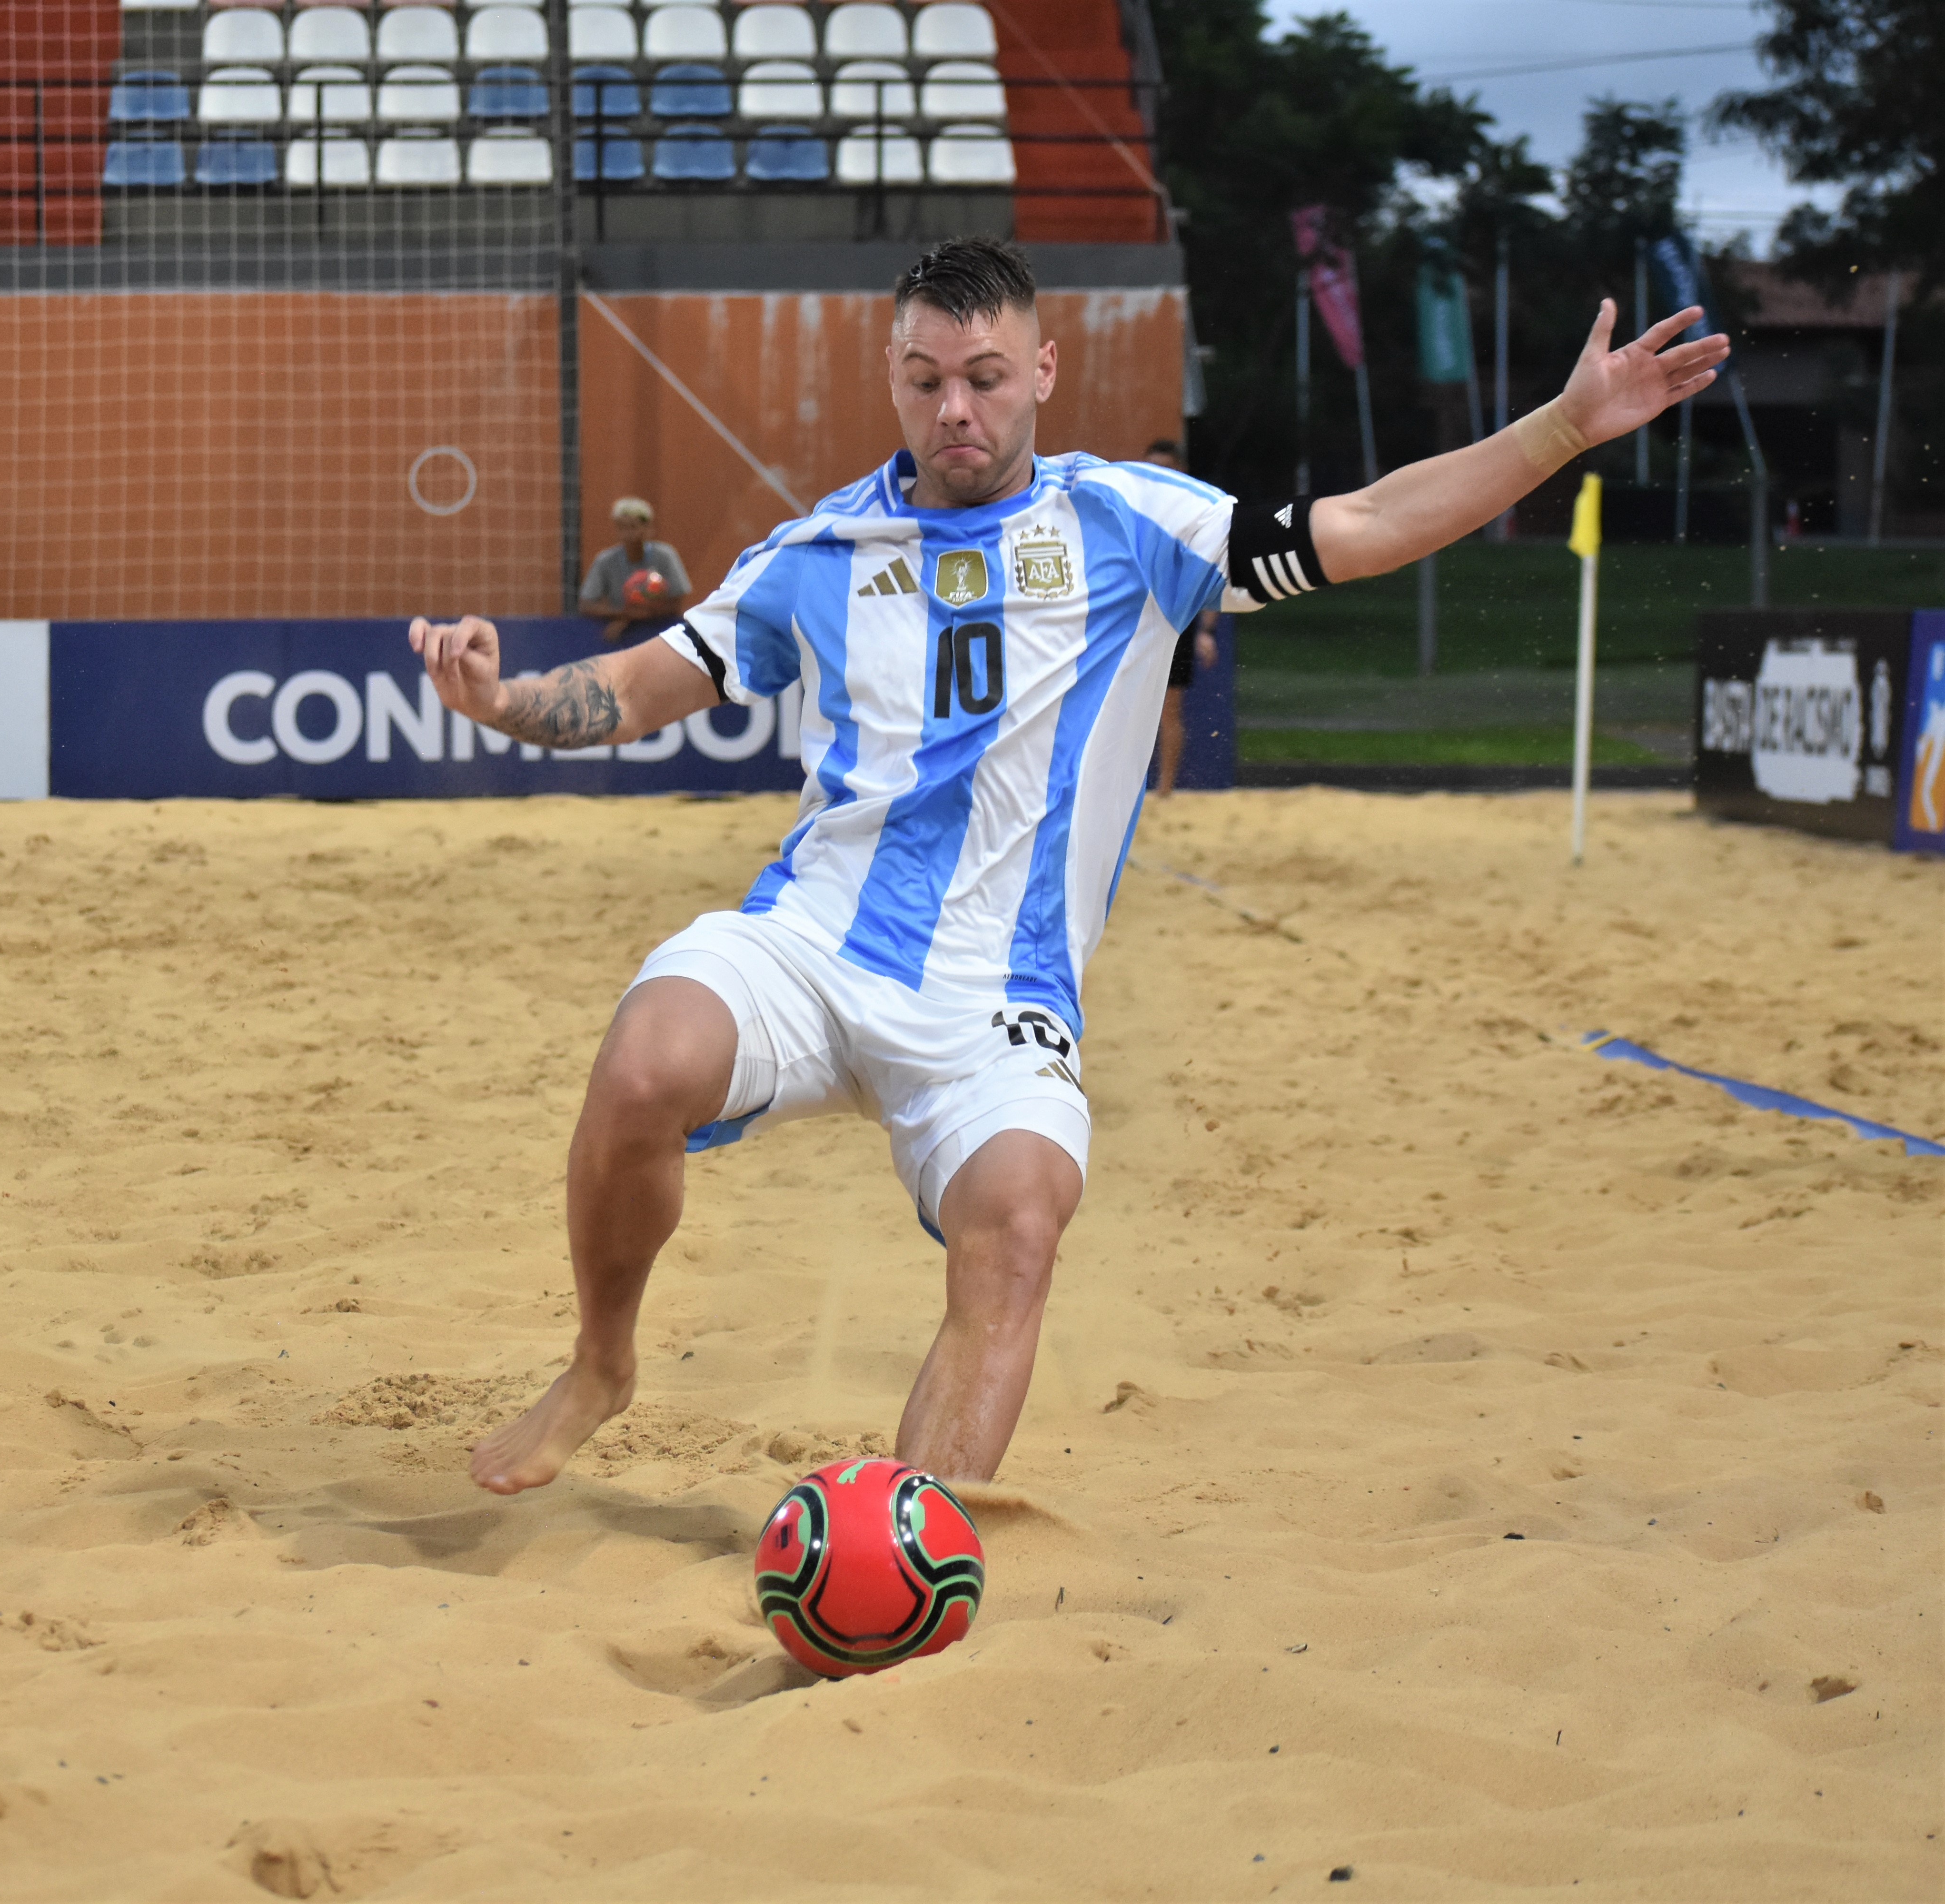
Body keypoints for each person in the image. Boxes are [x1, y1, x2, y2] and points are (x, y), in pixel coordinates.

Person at [408, 235, 1724, 1497]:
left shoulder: (1133, 522)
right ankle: (600, 1365)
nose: (955, 411)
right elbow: (644, 683)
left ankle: (907, 1545)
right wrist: (505, 698)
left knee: (1022, 1219)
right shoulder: (816, 554)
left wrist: (1561, 428)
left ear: (1041, 372)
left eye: (984, 378)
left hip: (999, 993)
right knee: (644, 1061)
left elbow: (1367, 522)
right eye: (926, 382)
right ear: (894, 379)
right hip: (813, 942)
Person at [1141, 439, 1220, 795]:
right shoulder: (1135, 513)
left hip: (1176, 622)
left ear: (1180, 472)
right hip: (1138, 622)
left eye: (1166, 469)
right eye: (1153, 468)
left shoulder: (1196, 518)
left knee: (1168, 711)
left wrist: (1206, 630)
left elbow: (1209, 576)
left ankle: (1165, 790)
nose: (1158, 476)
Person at [577, 496, 694, 645]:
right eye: (622, 528)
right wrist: (625, 615)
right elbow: (587, 605)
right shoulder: (605, 560)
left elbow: (676, 601)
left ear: (648, 528)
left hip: (661, 634)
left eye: (633, 527)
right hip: (619, 639)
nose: (628, 534)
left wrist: (627, 619)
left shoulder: (666, 556)